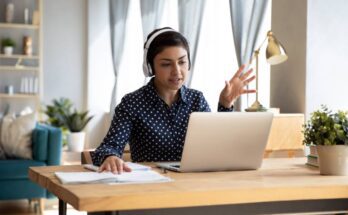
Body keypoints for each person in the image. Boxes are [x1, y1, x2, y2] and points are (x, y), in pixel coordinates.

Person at [92, 27, 255, 174]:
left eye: (182, 62)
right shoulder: (132, 103)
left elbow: (217, 146)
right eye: (166, 64)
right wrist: (110, 157)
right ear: (150, 67)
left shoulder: (196, 99)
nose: (177, 71)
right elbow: (107, 147)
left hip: (193, 185)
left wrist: (225, 105)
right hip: (150, 187)